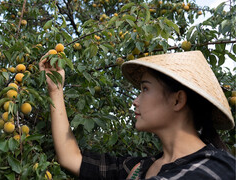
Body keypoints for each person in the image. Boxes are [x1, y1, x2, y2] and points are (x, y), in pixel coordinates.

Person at [39, 50, 236, 179]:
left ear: (177, 100)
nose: (135, 100)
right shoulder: (142, 167)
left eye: (145, 89)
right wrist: (56, 91)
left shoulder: (216, 168)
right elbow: (71, 159)